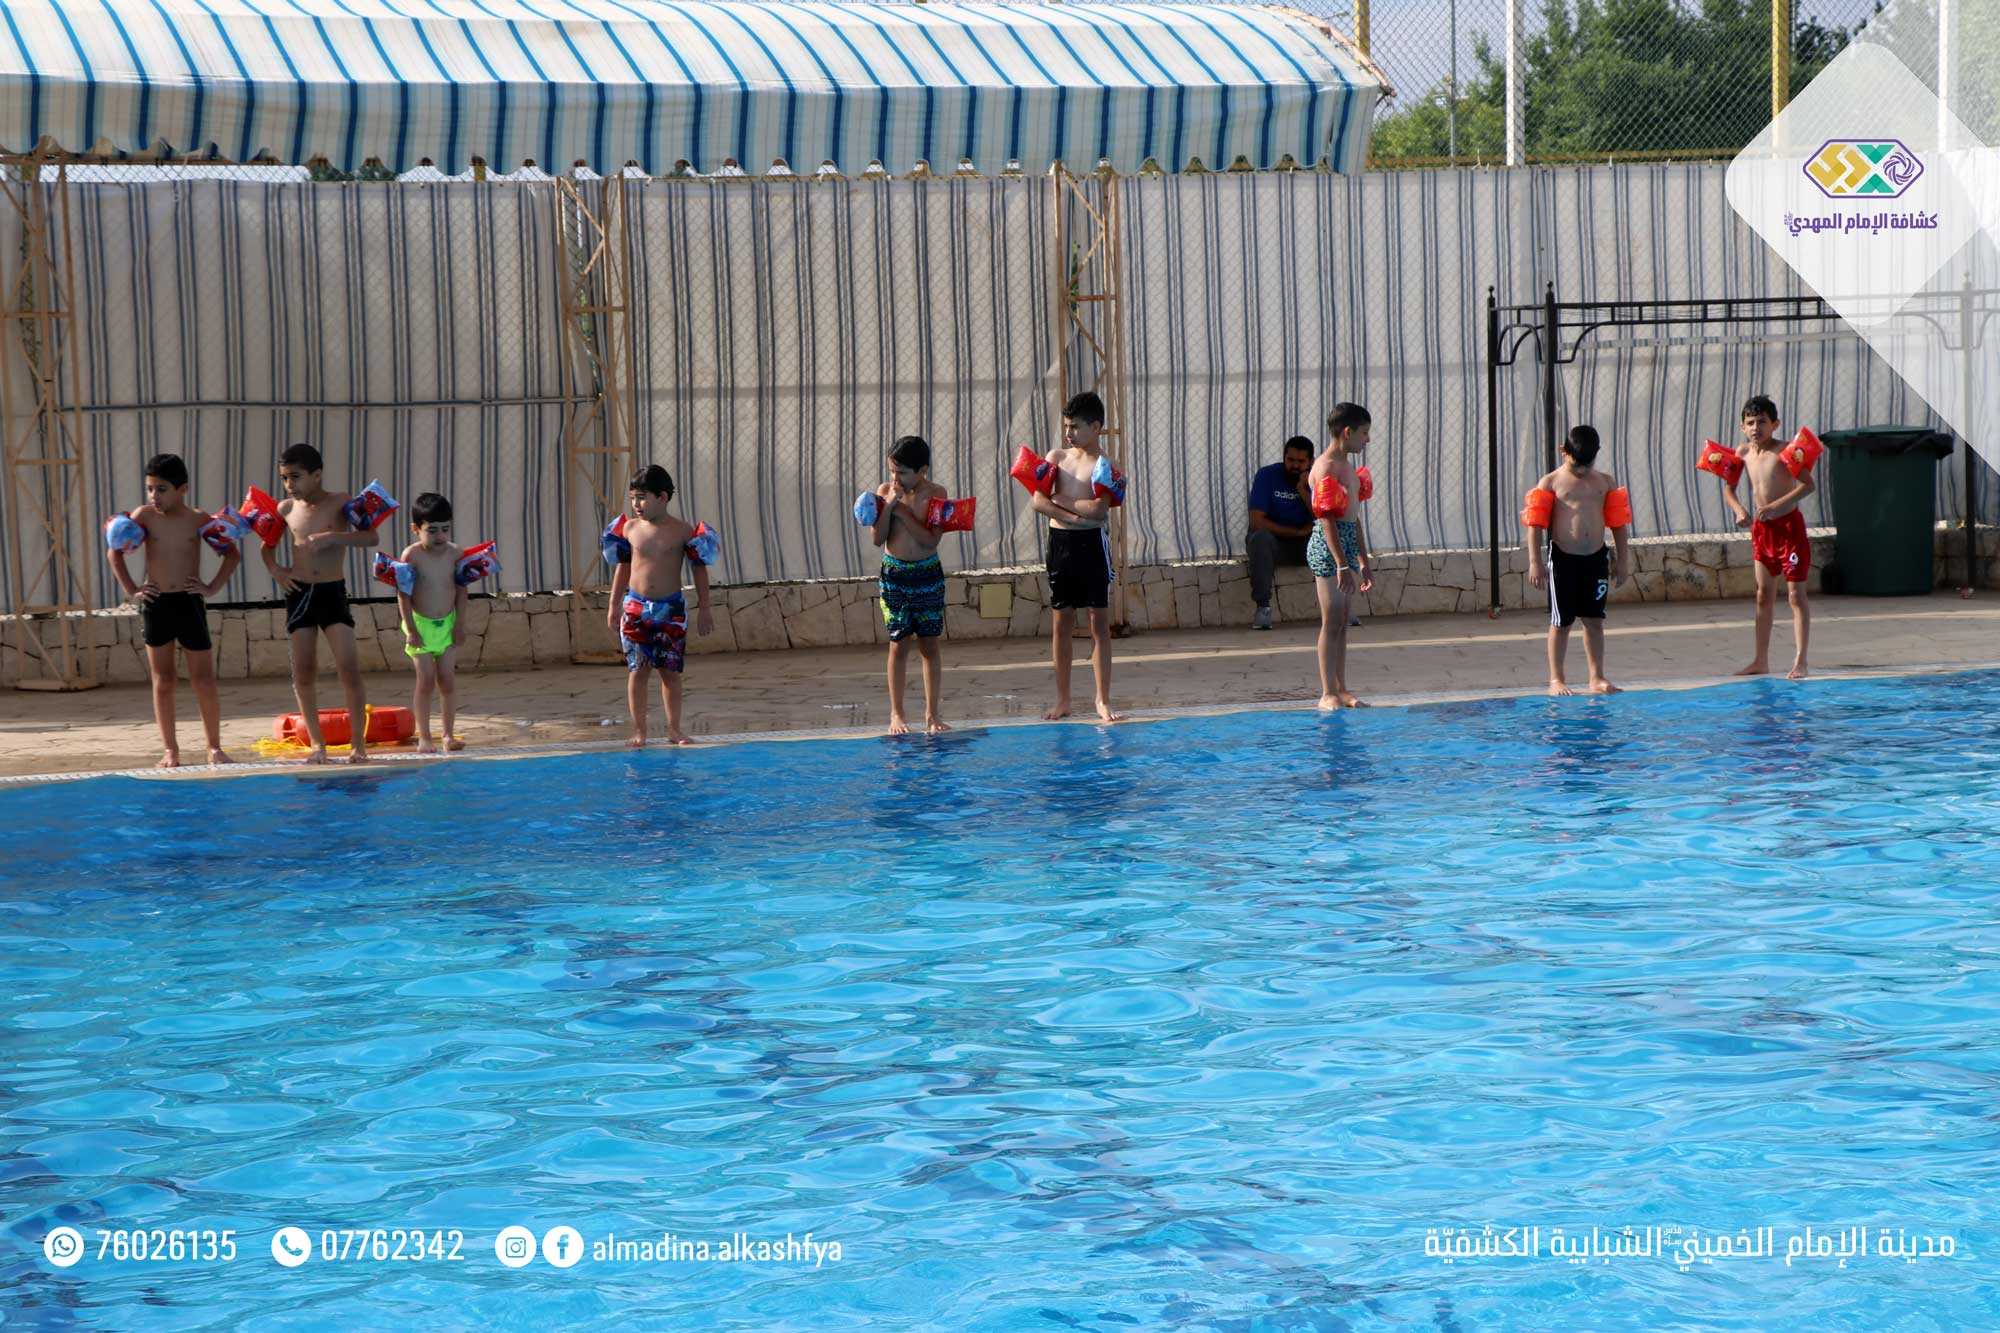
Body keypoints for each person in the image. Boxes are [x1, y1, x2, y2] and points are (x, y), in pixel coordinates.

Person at [106, 453, 241, 768]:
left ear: (183, 489)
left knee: (203, 679)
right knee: (163, 680)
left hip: (189, 602)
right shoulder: (143, 517)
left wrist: (211, 587)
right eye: (150, 488)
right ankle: (170, 749)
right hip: (157, 604)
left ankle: (213, 747)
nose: (154, 496)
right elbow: (115, 552)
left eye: (162, 489)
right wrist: (133, 589)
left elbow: (231, 555)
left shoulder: (198, 520)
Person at [263, 443, 380, 763]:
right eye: (285, 478)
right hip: (300, 593)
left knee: (348, 667)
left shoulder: (341, 502)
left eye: (295, 477)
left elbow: (371, 537)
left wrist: (332, 537)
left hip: (331, 592)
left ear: (317, 475)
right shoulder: (286, 509)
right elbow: (266, 546)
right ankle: (317, 744)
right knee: (303, 671)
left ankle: (358, 744)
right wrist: (277, 571)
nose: (289, 484)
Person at [606, 464, 716, 746]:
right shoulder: (630, 529)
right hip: (635, 608)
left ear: (663, 497)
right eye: (633, 498)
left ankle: (674, 729)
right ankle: (639, 730)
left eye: (642, 498)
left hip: (671, 611)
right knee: (637, 671)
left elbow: (699, 569)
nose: (636, 504)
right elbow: (623, 568)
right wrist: (614, 605)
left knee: (670, 673)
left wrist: (705, 607)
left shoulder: (682, 531)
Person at [1033, 391, 1126, 723]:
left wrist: (1062, 502)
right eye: (1066, 426)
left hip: (1091, 546)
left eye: (1075, 427)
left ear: (1096, 427)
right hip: (1060, 545)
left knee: (1098, 622)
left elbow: (1099, 510)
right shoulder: (1056, 457)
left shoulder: (1105, 466)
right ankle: (1063, 700)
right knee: (1062, 622)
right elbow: (1038, 501)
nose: (1068, 433)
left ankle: (1102, 699)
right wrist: (1072, 515)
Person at [1524, 425, 1633, 696]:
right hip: (1564, 560)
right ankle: (1556, 679)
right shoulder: (1550, 482)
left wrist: (1622, 560)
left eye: (1588, 463)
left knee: (1594, 621)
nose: (1582, 470)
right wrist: (1535, 561)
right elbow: (1534, 525)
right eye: (1577, 464)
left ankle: (1597, 677)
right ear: (1563, 451)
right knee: (1561, 623)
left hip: (1596, 558)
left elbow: (1618, 524)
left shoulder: (1605, 482)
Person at [1721, 395, 1813, 679]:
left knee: (1796, 595)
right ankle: (1760, 660)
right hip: (1762, 531)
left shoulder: (1786, 451)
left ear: (1775, 424)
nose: (1756, 428)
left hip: (1789, 530)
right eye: (1750, 423)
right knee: (1763, 595)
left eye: (1762, 422)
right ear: (1742, 427)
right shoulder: (1742, 453)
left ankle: (1801, 661)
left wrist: (1775, 505)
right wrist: (1739, 510)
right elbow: (1729, 489)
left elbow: (1808, 485)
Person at [867, 435, 952, 735]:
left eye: (902, 472)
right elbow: (878, 539)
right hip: (895, 575)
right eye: (892, 471)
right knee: (898, 643)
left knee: (929, 644)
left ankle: (932, 713)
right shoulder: (884, 493)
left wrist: (902, 511)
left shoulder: (937, 494)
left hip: (927, 574)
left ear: (922, 470)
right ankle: (897, 713)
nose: (895, 478)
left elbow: (930, 540)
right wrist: (889, 505)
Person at [1306, 403, 1375, 709]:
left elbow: (1353, 518)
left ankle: (1342, 688)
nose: (1367, 440)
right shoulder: (1326, 468)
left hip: (1345, 545)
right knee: (1332, 618)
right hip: (1328, 548)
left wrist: (1363, 561)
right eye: (1364, 433)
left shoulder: (1348, 468)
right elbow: (1327, 521)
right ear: (1347, 432)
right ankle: (1327, 692)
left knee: (1343, 620)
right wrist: (1341, 564)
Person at [392, 493, 470, 753]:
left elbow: (461, 591)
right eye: (432, 530)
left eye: (445, 529)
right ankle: (425, 737)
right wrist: (411, 629)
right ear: (416, 529)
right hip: (420, 626)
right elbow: (403, 595)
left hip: (447, 625)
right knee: (425, 680)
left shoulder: (455, 553)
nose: (440, 536)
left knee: (447, 680)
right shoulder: (411, 556)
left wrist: (459, 625)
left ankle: (448, 735)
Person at [1247, 436, 1316, 630]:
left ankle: (1341, 606)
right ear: (1284, 457)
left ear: (1311, 462)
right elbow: (1256, 522)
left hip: (1305, 545)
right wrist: (1297, 532)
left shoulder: (1318, 479)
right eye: (1290, 460)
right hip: (1274, 544)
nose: (1295, 465)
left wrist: (1303, 490)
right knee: (1259, 538)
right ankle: (1263, 608)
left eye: (1301, 461)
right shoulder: (1267, 475)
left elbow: (1323, 519)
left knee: (1336, 534)